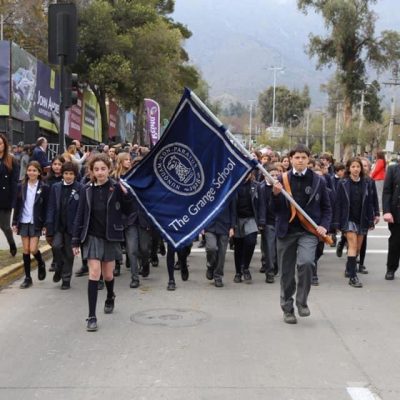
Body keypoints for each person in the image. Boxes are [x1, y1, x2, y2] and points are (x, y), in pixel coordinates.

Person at [72, 153, 133, 332]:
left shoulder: (116, 187)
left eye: (103, 169)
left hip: (110, 236)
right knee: (94, 273)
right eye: (96, 169)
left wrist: (126, 195)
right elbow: (80, 215)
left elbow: (129, 210)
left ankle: (110, 296)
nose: (100, 172)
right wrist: (75, 240)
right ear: (91, 171)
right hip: (91, 237)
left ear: (109, 169)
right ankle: (91, 316)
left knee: (108, 275)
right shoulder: (86, 189)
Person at [272, 144, 331, 324]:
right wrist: (274, 195)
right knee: (287, 273)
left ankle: (302, 302)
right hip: (286, 231)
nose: (300, 161)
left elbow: (327, 208)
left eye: (303, 158)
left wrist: (324, 226)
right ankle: (287, 308)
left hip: (308, 232)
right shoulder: (281, 180)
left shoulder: (318, 181)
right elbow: (273, 211)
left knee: (306, 263)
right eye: (296, 157)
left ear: (308, 160)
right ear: (290, 159)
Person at [333, 157, 377, 288]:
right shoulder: (343, 183)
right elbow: (338, 203)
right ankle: (353, 277)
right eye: (353, 167)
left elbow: (370, 202)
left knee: (357, 248)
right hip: (348, 219)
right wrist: (336, 223)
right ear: (349, 168)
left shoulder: (367, 182)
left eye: (358, 167)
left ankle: (349, 267)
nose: (356, 169)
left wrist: (373, 218)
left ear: (361, 169)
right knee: (352, 245)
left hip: (362, 218)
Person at [12, 161, 49, 288]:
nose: (31, 173)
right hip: (23, 221)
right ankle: (27, 277)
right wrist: (14, 222)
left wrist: (45, 223)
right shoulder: (21, 186)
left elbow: (46, 207)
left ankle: (40, 262)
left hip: (36, 221)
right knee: (26, 250)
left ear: (39, 172)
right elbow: (17, 206)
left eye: (34, 170)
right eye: (29, 170)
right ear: (27, 172)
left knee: (33, 249)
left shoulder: (44, 187)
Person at [46, 162, 83, 289]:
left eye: (71, 174)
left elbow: (80, 209)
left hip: (72, 227)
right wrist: (49, 225)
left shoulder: (80, 188)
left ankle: (66, 279)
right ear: (62, 174)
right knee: (56, 246)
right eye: (66, 173)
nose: (68, 176)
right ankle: (59, 266)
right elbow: (50, 207)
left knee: (69, 253)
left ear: (75, 175)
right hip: (58, 225)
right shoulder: (56, 187)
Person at [233, 172, 260, 284]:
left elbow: (261, 204)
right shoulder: (232, 185)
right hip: (236, 218)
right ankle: (238, 272)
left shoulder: (256, 186)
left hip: (251, 218)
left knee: (251, 241)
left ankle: (246, 267)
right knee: (238, 246)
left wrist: (261, 220)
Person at [204, 197, 236, 287]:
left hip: (224, 225)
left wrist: (232, 227)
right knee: (211, 248)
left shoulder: (228, 188)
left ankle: (218, 276)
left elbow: (233, 209)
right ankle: (210, 265)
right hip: (210, 224)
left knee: (222, 254)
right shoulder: (209, 189)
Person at [258, 164, 280, 283]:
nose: (275, 177)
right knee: (270, 249)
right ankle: (269, 272)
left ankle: (276, 266)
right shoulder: (261, 188)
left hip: (280, 222)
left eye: (277, 175)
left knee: (278, 248)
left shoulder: (282, 187)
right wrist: (261, 222)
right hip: (268, 223)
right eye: (272, 175)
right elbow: (261, 206)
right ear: (265, 176)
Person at [0, 134, 19, 256]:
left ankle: (11, 243)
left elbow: (14, 182)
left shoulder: (11, 160)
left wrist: (13, 201)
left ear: (4, 145)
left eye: (0, 143)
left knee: (5, 226)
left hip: (5, 198)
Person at [382, 157, 400, 280]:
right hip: (396, 212)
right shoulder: (393, 169)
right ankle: (391, 268)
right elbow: (387, 191)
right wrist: (387, 211)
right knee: (395, 242)